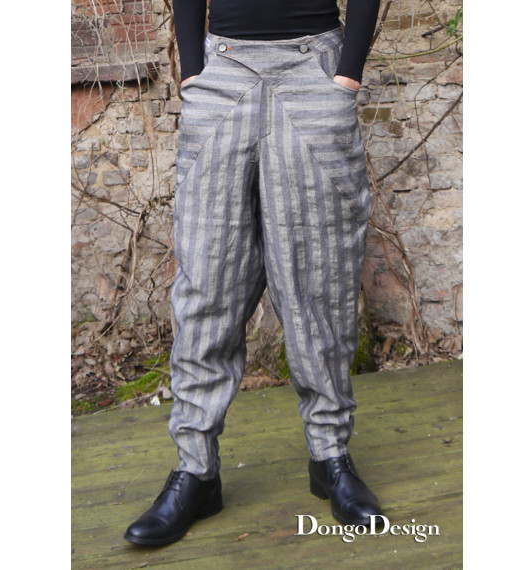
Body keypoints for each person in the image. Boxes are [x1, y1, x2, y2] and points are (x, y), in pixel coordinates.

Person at [125, 0, 383, 546]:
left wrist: (348, 73)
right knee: (207, 282)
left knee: (320, 283)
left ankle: (330, 456)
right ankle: (196, 471)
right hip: (222, 73)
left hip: (314, 73)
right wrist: (193, 71)